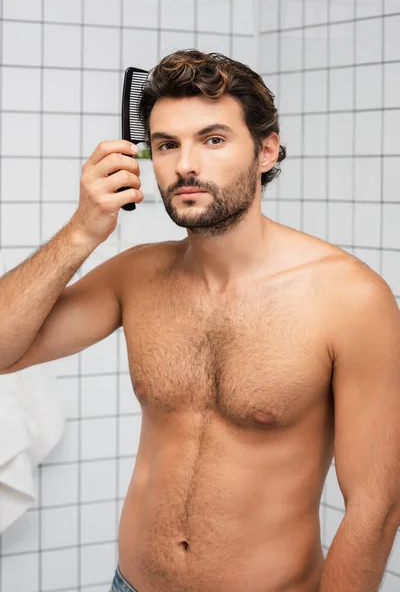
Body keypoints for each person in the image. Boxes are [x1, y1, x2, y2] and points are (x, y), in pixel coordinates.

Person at [1, 49, 400, 592]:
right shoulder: (136, 276)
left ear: (266, 151)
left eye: (212, 139)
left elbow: (376, 506)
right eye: (166, 144)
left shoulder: (350, 297)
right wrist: (81, 232)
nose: (185, 163)